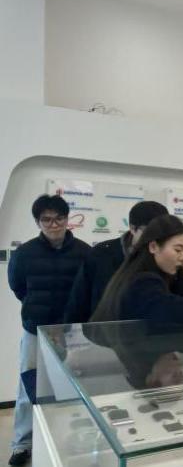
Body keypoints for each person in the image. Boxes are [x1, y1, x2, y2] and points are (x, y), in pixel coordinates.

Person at [7, 194, 91, 466]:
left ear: (67, 220)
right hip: (35, 330)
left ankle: (69, 439)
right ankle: (22, 444)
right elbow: (18, 287)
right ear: (38, 222)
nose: (53, 224)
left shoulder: (84, 252)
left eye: (59, 218)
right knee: (28, 387)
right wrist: (38, 313)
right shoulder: (24, 254)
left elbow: (86, 290)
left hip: (72, 331)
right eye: (46, 219)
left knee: (73, 386)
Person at [64, 201, 168, 323]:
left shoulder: (167, 256)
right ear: (132, 228)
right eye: (149, 232)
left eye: (162, 232)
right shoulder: (101, 254)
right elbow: (79, 300)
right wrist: (72, 330)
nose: (156, 237)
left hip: (150, 331)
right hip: (105, 329)